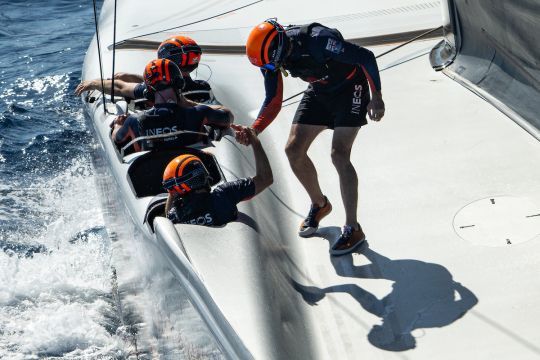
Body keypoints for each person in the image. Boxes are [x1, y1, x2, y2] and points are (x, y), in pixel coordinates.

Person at [239, 19, 386, 256]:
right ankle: (320, 204)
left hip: (350, 89)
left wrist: (376, 95)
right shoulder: (271, 59)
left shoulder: (319, 40)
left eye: (270, 65)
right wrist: (254, 129)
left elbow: (365, 57)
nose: (269, 71)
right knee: (293, 150)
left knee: (339, 155)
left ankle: (353, 228)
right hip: (319, 91)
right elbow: (273, 100)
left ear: (277, 49)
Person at [112, 58, 232, 152]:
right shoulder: (199, 113)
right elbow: (228, 116)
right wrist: (189, 103)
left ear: (148, 92)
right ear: (180, 84)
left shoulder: (133, 121)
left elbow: (117, 138)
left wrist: (118, 124)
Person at [163, 125, 273, 226]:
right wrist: (255, 142)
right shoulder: (225, 194)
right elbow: (265, 179)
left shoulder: (176, 216)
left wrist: (172, 193)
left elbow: (168, 217)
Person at [75, 35, 212, 103]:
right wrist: (130, 76)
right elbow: (168, 80)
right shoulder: (204, 87)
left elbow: (120, 88)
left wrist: (93, 83)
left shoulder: (149, 91)